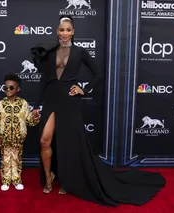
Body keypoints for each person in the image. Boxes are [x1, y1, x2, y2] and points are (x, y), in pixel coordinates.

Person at [30, 15, 166, 206]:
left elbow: (98, 74)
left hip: (70, 101)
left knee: (68, 145)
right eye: (62, 30)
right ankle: (49, 177)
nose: (65, 33)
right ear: (57, 31)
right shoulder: (50, 52)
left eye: (69, 30)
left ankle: (68, 181)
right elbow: (44, 79)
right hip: (52, 98)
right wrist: (36, 105)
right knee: (45, 140)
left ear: (73, 32)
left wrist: (83, 89)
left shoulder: (79, 52)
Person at [0, 74, 40, 191]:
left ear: (17, 89)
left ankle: (17, 180)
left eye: (11, 88)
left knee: (17, 158)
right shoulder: (0, 104)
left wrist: (34, 117)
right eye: (6, 88)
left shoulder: (23, 103)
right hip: (5, 137)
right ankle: (6, 181)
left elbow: (29, 121)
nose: (8, 90)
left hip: (19, 138)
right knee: (6, 159)